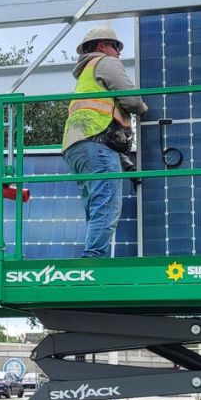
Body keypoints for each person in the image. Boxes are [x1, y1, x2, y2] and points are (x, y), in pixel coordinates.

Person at [61, 25, 148, 258]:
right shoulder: (105, 63)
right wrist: (143, 108)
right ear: (102, 46)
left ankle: (93, 253)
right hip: (96, 143)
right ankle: (94, 258)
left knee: (96, 203)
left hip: (76, 147)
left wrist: (128, 165)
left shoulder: (84, 78)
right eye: (116, 47)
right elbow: (131, 100)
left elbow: (106, 122)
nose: (118, 52)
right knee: (107, 203)